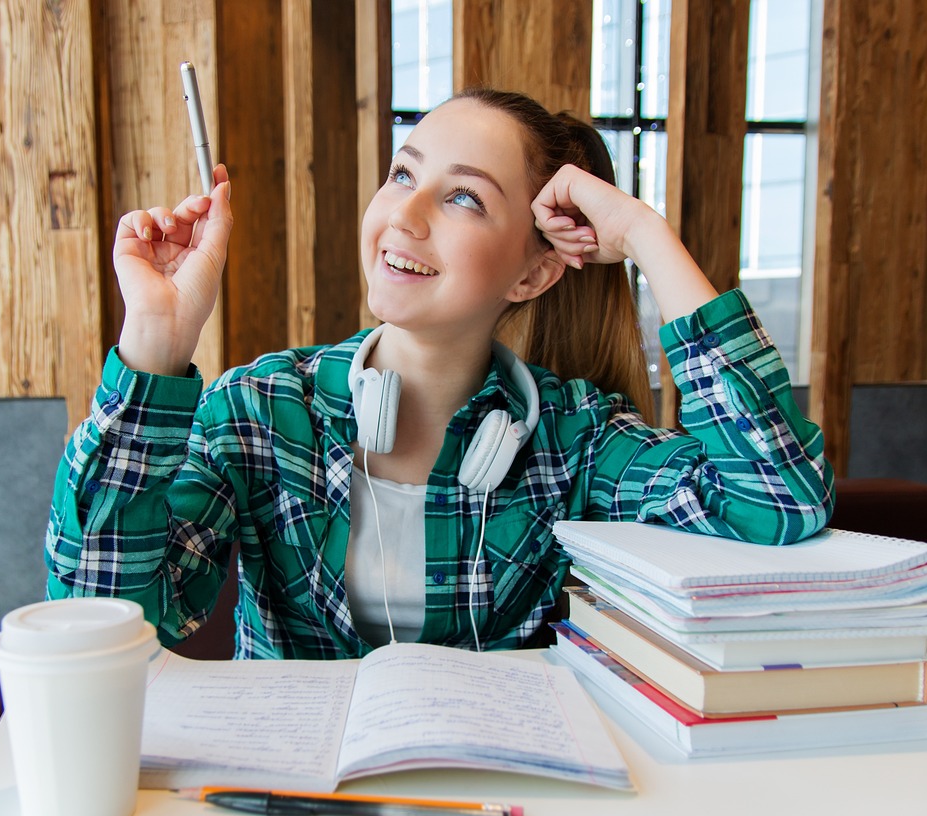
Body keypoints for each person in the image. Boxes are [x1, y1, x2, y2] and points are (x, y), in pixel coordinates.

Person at [45, 87, 834, 659]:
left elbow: (777, 496)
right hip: (296, 815)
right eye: (401, 174)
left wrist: (647, 234)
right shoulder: (259, 408)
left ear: (531, 274)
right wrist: (153, 339)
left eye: (461, 197)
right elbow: (103, 611)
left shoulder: (576, 439)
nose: (405, 215)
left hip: (498, 808)